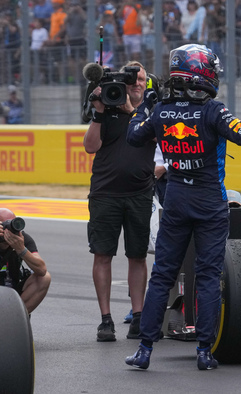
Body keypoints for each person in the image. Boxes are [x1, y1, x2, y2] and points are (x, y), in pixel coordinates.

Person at [125, 44, 241, 370]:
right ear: (203, 72)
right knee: (209, 276)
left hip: (176, 201)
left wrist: (145, 108)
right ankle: (203, 351)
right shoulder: (213, 110)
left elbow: (133, 137)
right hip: (210, 202)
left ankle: (144, 350)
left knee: (162, 275)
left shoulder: (162, 111)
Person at [83, 61, 156, 342]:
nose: (136, 84)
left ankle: (138, 316)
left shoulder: (154, 109)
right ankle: (106, 319)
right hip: (105, 194)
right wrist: (100, 113)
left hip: (139, 193)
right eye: (131, 80)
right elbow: (90, 146)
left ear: (146, 83)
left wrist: (131, 111)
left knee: (137, 255)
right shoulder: (108, 106)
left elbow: (157, 134)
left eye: (140, 79)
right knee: (102, 255)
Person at [0, 208, 51, 313]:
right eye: (5, 224)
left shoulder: (22, 239)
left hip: (12, 292)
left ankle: (15, 318)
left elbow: (42, 270)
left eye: (12, 224)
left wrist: (21, 249)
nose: (9, 230)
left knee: (44, 278)